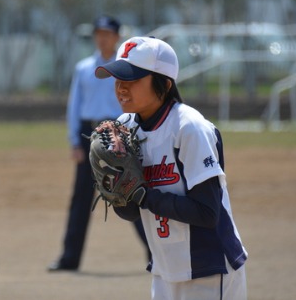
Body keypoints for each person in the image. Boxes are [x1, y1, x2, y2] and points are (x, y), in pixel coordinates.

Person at [94, 36, 248, 299]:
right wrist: (118, 192)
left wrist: (145, 195)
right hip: (164, 271)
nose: (121, 88)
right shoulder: (125, 128)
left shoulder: (189, 128)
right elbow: (132, 212)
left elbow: (207, 212)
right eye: (118, 79)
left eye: (131, 80)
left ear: (164, 84)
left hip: (209, 270)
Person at [48, 15, 151, 272]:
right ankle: (69, 259)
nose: (102, 37)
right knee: (81, 197)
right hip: (88, 133)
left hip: (119, 132)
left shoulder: (125, 66)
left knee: (129, 191)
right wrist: (74, 141)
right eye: (98, 33)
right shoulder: (83, 68)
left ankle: (156, 253)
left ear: (117, 37)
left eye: (107, 33)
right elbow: (75, 105)